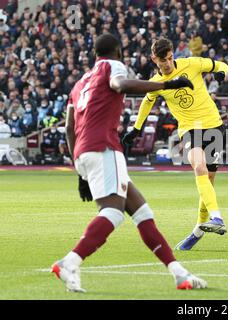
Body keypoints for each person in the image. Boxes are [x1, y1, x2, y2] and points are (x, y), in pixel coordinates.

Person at [51, 33, 206, 293]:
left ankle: (180, 274)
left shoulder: (79, 83)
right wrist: (168, 85)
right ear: (119, 51)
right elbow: (120, 84)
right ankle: (70, 262)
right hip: (104, 146)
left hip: (83, 151)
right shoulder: (113, 65)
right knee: (112, 212)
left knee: (142, 213)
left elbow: (69, 127)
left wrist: (80, 170)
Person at [122, 37, 228, 251]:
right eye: (164, 60)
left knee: (208, 179)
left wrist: (221, 73)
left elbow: (222, 65)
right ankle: (217, 218)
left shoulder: (192, 63)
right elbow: (147, 101)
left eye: (171, 58)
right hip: (189, 129)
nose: (169, 63)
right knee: (198, 166)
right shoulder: (157, 83)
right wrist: (136, 128)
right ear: (154, 59)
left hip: (214, 125)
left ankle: (198, 230)